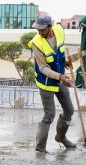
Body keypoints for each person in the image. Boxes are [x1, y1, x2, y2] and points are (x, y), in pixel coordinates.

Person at [27, 14, 76, 152]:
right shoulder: (37, 43)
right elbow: (43, 68)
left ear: (50, 26)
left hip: (59, 78)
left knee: (69, 110)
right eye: (37, 29)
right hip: (46, 82)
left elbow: (58, 53)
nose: (39, 32)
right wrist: (60, 77)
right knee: (49, 115)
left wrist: (64, 62)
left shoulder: (59, 31)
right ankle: (40, 148)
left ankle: (61, 137)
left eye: (42, 29)